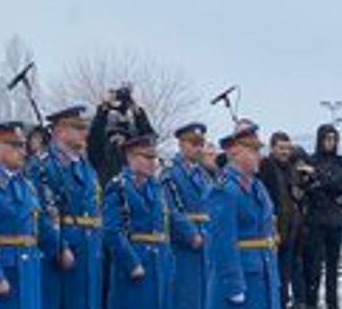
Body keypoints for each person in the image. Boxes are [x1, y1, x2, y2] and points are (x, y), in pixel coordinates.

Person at [0, 122, 63, 309]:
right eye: (15, 145)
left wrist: (60, 249)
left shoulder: (25, 185)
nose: (23, 152)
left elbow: (39, 224)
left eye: (23, 145)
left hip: (28, 273)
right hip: (2, 274)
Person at [103, 134, 195, 309]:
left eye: (154, 157)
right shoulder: (119, 186)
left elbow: (168, 220)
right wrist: (131, 263)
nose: (153, 162)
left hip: (160, 263)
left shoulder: (155, 186)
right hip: (137, 262)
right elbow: (112, 231)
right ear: (130, 156)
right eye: (147, 157)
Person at [202, 122, 281, 309]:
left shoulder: (257, 186)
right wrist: (233, 285)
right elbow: (222, 243)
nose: (259, 156)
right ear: (236, 153)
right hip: (243, 277)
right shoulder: (224, 190)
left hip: (262, 273)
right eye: (254, 151)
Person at [38, 106, 105, 309]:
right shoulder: (44, 166)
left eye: (83, 127)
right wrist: (60, 246)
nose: (83, 133)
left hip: (90, 248)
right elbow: (40, 212)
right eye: (77, 128)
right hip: (66, 249)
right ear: (59, 131)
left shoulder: (86, 166)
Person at [298, 125, 342, 309]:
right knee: (314, 267)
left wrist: (320, 178)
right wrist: (320, 181)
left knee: (333, 268)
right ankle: (312, 302)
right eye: (327, 139)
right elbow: (306, 187)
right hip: (316, 220)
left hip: (335, 220)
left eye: (334, 139)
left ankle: (332, 302)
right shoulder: (311, 160)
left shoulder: (340, 162)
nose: (331, 143)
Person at [165, 124, 213, 309]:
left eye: (201, 144)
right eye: (193, 143)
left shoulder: (204, 174)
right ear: (181, 144)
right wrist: (190, 234)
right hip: (184, 246)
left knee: (205, 296)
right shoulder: (171, 173)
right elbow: (171, 208)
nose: (198, 148)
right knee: (186, 296)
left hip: (207, 240)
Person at [255, 132, 303, 309]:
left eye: (287, 149)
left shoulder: (290, 170)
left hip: (290, 231)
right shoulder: (267, 167)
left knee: (285, 277)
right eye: (281, 148)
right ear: (272, 148)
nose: (285, 152)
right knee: (275, 280)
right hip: (274, 232)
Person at [88, 87, 155, 184]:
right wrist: (103, 110)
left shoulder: (134, 151)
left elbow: (148, 140)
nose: (119, 140)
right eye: (114, 135)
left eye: (122, 136)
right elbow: (94, 137)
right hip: (109, 193)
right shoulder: (100, 153)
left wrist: (138, 112)